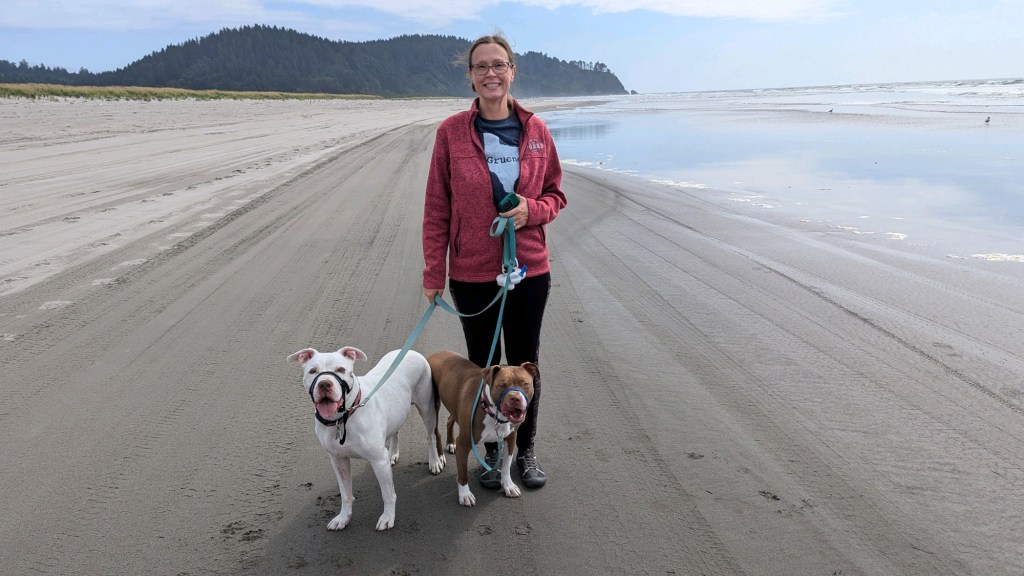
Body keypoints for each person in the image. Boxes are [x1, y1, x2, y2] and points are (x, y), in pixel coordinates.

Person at [422, 33, 566, 489]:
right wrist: (434, 272)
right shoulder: (450, 133)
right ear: (470, 76)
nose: (491, 73)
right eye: (481, 66)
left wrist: (531, 211)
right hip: (472, 272)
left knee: (524, 366)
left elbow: (556, 195)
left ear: (512, 71)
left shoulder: (537, 132)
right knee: (486, 364)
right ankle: (488, 446)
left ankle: (524, 452)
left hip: (529, 269)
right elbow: (437, 208)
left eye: (499, 65)